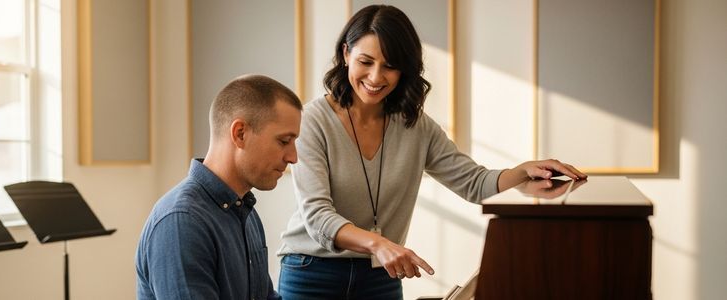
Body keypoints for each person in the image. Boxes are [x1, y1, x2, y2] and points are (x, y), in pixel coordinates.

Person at [276, 5, 587, 299]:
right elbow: (317, 215)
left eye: (390, 66)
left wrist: (524, 172)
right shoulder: (312, 120)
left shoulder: (416, 126)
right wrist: (379, 244)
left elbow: (474, 183)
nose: (375, 77)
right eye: (366, 62)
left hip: (380, 275)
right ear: (346, 54)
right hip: (312, 272)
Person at [136, 74, 302, 300]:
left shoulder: (246, 212)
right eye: (284, 141)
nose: (293, 157)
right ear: (240, 134)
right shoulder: (182, 221)